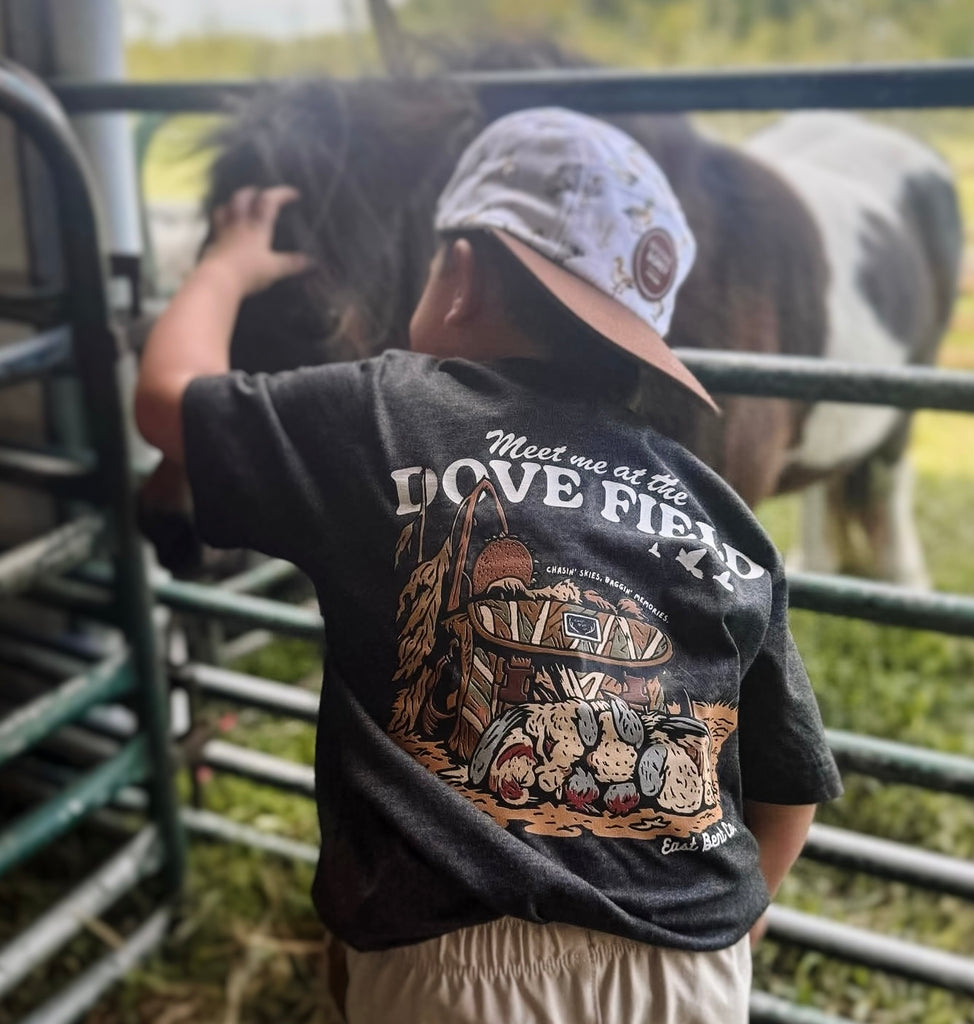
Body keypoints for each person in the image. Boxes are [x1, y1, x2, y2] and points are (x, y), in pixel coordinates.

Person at [136, 107, 842, 1024]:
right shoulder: (721, 512)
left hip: (452, 962)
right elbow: (790, 786)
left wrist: (224, 267)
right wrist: (733, 933)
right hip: (690, 965)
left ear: (458, 276)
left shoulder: (384, 412)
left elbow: (165, 402)